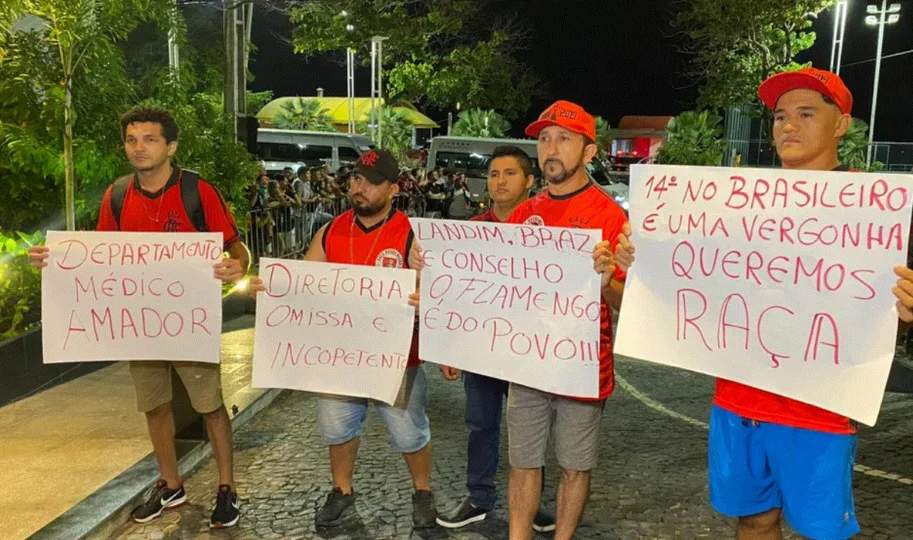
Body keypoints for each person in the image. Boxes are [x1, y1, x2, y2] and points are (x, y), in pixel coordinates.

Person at [615, 67, 913, 540]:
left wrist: (909, 309)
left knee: (820, 533)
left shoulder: (870, 211)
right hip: (737, 399)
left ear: (841, 124)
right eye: (780, 116)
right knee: (754, 521)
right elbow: (690, 279)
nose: (788, 125)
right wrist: (640, 259)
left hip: (819, 408)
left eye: (806, 113)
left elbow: (878, 321)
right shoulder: (737, 204)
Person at [28, 105, 250, 529]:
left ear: (171, 146)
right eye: (131, 140)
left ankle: (227, 488)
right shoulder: (117, 195)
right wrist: (53, 262)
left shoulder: (198, 192)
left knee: (210, 406)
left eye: (149, 139)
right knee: (154, 405)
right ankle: (171, 483)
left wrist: (238, 266)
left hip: (188, 322)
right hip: (140, 325)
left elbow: (236, 248)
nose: (139, 147)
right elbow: (98, 258)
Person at [251, 149, 438, 531]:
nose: (360, 187)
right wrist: (273, 289)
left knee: (409, 432)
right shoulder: (331, 230)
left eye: (372, 182)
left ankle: (422, 492)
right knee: (337, 429)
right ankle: (342, 492)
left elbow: (432, 290)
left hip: (395, 359)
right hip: (339, 358)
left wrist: (426, 297)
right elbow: (305, 283)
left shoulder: (413, 236)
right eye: (356, 179)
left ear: (393, 189)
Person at [504, 101, 628, 540]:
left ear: (589, 151)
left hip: (583, 367)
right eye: (543, 139)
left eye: (563, 139)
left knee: (574, 467)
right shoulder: (524, 213)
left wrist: (606, 282)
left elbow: (626, 303)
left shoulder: (611, 217)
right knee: (522, 463)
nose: (551, 149)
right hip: (528, 362)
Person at [432, 146, 555, 532]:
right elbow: (455, 290)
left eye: (509, 173)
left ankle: (532, 504)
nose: (499, 181)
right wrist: (450, 347)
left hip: (529, 348)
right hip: (482, 348)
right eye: (494, 174)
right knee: (481, 425)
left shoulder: (545, 228)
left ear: (530, 181)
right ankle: (479, 498)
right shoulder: (472, 230)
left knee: (531, 431)